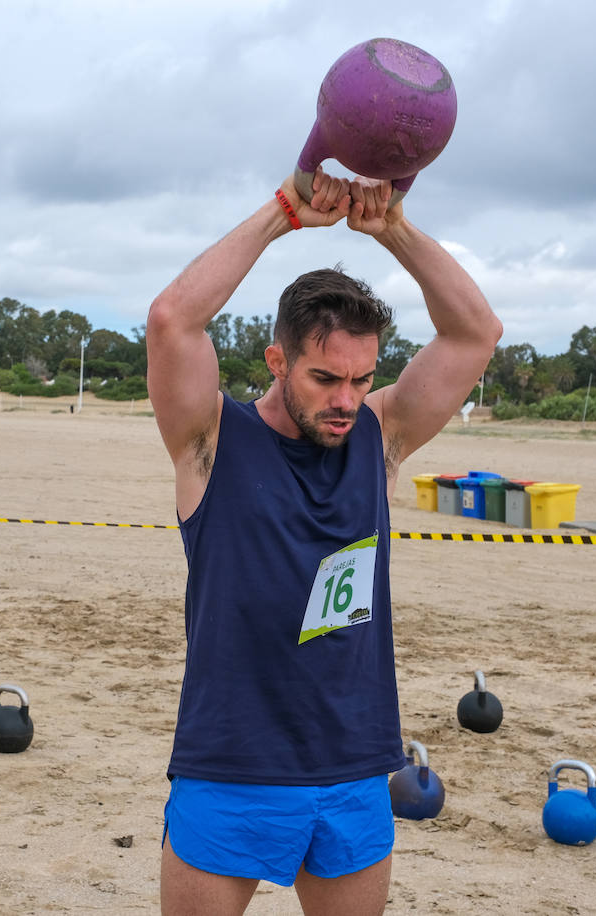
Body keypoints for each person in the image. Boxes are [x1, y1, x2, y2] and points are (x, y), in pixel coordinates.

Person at [145, 169, 503, 916]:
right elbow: (174, 318)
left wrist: (395, 229)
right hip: (231, 766)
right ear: (276, 361)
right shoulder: (210, 440)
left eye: (360, 378)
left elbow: (475, 333)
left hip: (352, 768)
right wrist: (282, 214)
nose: (346, 400)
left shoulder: (381, 436)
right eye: (324, 379)